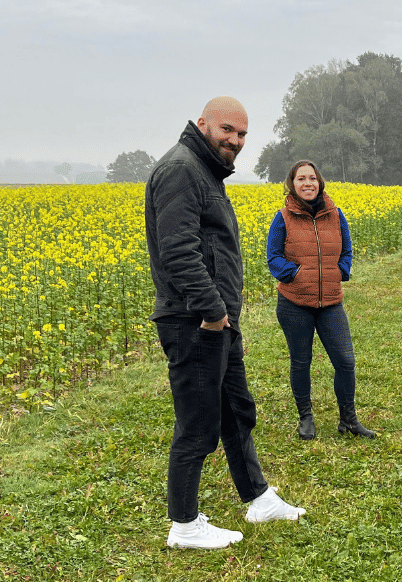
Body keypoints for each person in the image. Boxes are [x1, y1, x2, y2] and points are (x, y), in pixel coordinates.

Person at [145, 96, 306, 550]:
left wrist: (228, 321)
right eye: (227, 130)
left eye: (241, 135)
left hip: (217, 321)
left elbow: (212, 251)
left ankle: (258, 497)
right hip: (194, 320)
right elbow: (180, 253)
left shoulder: (205, 171)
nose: (234, 141)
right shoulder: (181, 169)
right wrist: (215, 314)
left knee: (237, 413)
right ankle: (184, 524)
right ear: (203, 124)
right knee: (197, 423)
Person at [266, 160, 376, 440]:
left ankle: (348, 420)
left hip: (331, 301)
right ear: (292, 184)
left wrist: (341, 271)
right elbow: (274, 258)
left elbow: (347, 251)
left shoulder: (336, 215)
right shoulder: (283, 217)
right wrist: (296, 274)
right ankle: (306, 418)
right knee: (301, 362)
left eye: (312, 178)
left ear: (319, 182)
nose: (307, 183)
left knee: (345, 361)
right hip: (294, 303)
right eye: (301, 178)